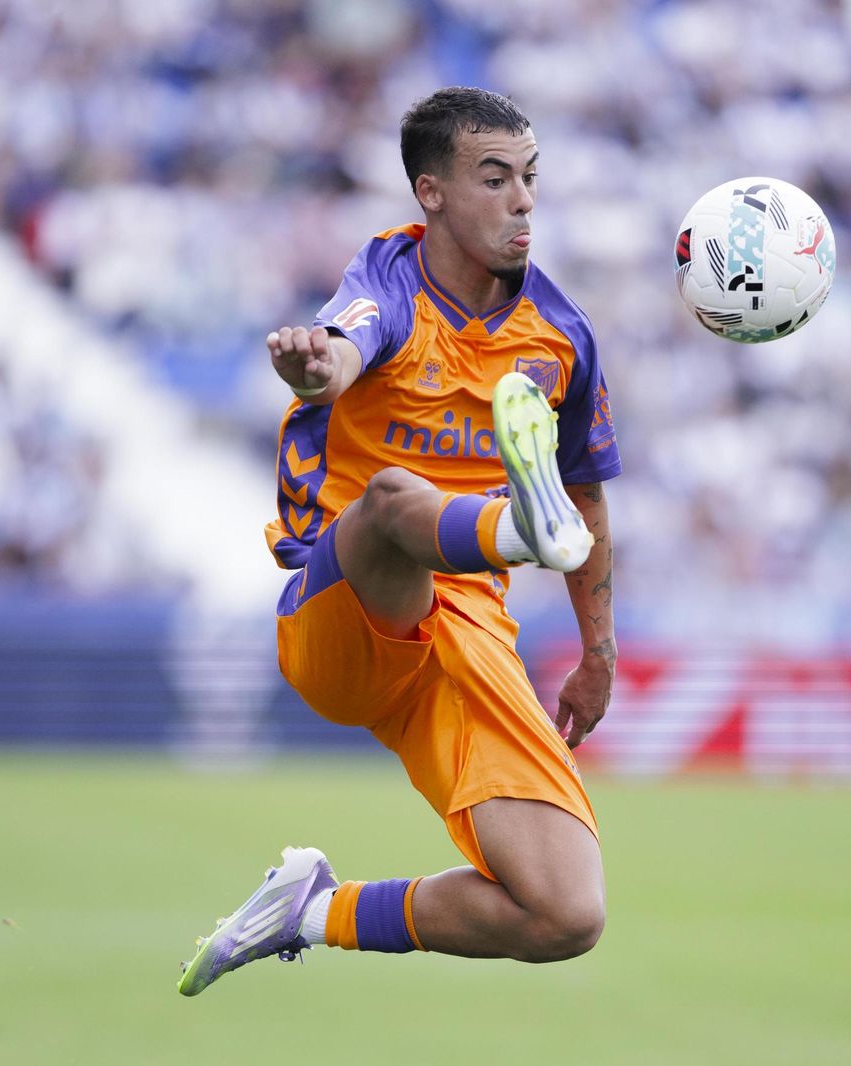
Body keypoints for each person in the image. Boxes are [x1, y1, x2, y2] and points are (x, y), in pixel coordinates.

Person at [178, 86, 621, 994]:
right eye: (494, 179)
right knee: (390, 500)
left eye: (530, 177)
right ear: (432, 193)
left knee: (567, 912)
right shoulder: (387, 281)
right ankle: (516, 527)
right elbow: (343, 349)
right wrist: (315, 368)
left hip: (466, 637)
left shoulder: (562, 336)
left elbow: (587, 494)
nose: (524, 201)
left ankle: (311, 910)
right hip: (346, 610)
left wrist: (598, 653)